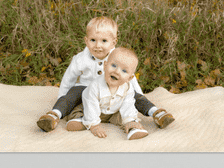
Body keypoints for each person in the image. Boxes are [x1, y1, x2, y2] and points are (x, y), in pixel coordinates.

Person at [36, 16, 174, 132]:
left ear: (113, 42)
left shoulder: (117, 56)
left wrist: (139, 95)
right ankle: (53, 116)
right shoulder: (81, 59)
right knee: (72, 93)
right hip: (85, 88)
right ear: (86, 40)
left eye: (104, 41)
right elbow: (68, 78)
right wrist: (62, 99)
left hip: (112, 89)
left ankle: (156, 113)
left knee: (133, 95)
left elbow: (130, 80)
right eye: (93, 40)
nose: (98, 46)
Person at [65, 47, 149, 140]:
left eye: (124, 71)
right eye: (113, 65)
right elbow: (91, 104)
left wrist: (129, 119)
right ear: (105, 66)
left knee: (124, 117)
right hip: (92, 108)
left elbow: (128, 104)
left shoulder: (128, 88)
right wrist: (94, 125)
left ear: (129, 78)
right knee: (79, 110)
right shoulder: (95, 85)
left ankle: (132, 128)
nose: (116, 71)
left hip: (113, 113)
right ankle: (81, 120)